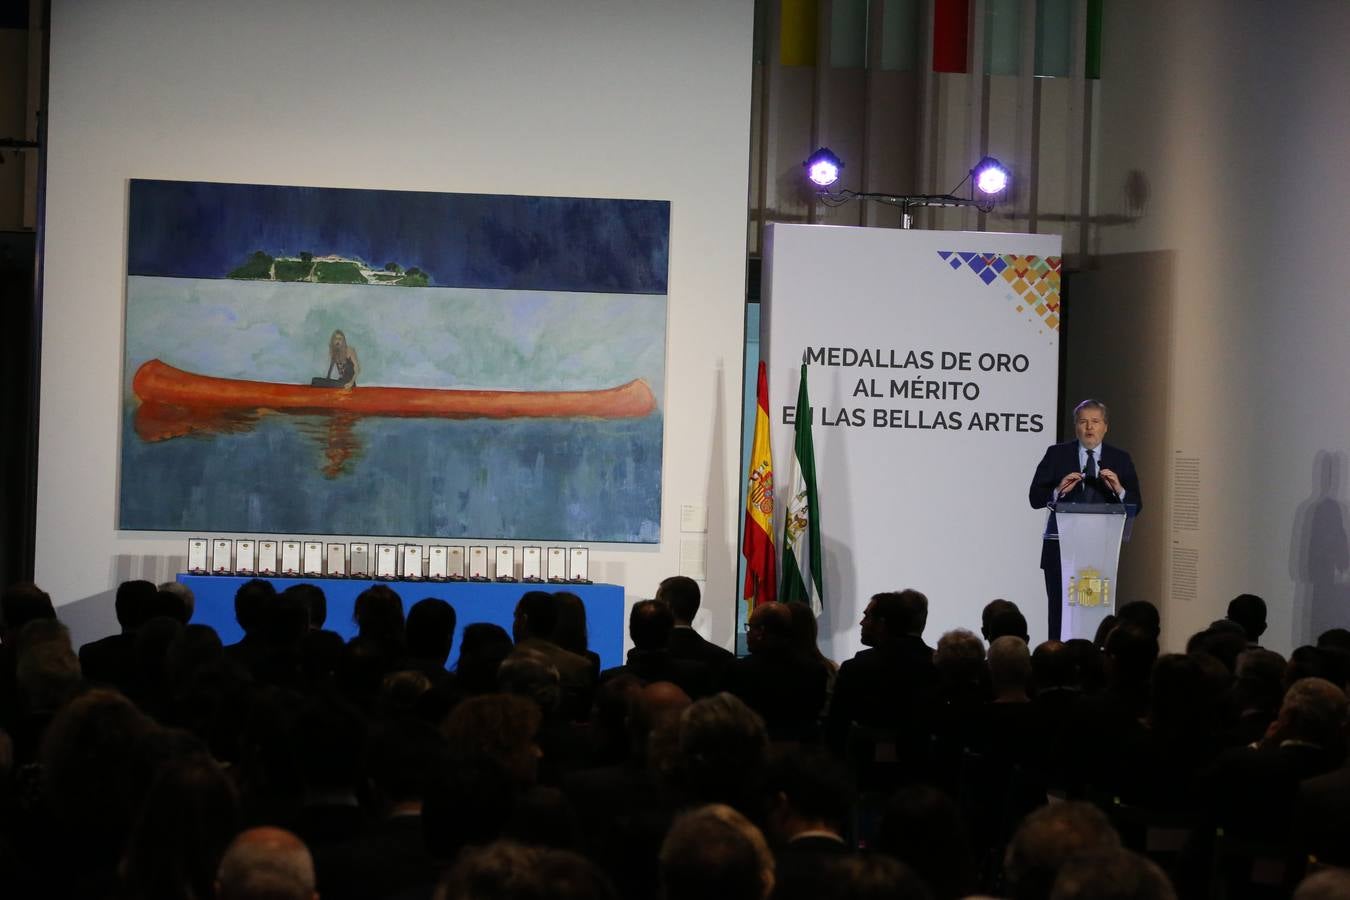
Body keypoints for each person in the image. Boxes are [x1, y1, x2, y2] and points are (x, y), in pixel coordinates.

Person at [1029, 399, 1142, 641]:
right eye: (1083, 422)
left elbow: (1136, 504)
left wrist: (1120, 490)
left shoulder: (1120, 459)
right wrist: (1058, 491)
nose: (1089, 428)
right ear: (1075, 427)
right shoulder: (1057, 455)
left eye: (1095, 422)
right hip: (1061, 552)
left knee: (1094, 614)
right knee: (1060, 616)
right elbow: (1034, 498)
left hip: (1100, 554)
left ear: (1105, 427)